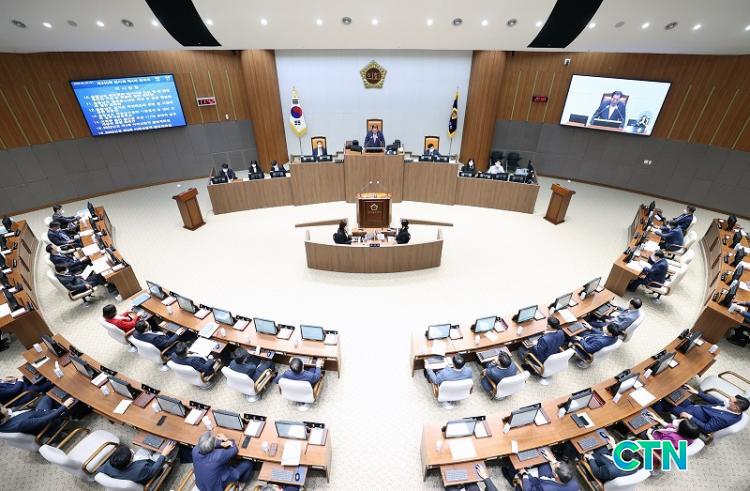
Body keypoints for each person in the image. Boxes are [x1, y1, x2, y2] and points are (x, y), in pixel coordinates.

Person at [653, 385, 749, 434]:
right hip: (696, 407)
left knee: (665, 402)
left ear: (736, 407)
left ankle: (658, 407)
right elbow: (716, 401)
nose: (728, 400)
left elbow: (707, 429)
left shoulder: (725, 419)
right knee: (676, 393)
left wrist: (689, 417)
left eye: (731, 401)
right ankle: (661, 407)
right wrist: (697, 392)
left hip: (690, 415)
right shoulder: (733, 408)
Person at [98, 441, 175, 484]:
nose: (132, 451)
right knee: (168, 452)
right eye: (131, 453)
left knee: (147, 444)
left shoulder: (109, 464)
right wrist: (163, 454)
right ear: (131, 460)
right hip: (150, 470)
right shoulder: (139, 470)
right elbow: (154, 470)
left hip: (135, 468)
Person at [0, 395, 74, 434]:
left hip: (36, 413)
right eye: (1, 407)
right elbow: (45, 420)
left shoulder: (4, 421)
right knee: (70, 403)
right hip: (48, 420)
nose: (2, 405)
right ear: (2, 419)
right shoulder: (20, 424)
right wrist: (64, 406)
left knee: (51, 394)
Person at [510, 449, 579, 490]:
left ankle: (510, 475)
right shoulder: (572, 481)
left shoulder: (545, 488)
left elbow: (528, 489)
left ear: (555, 475)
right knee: (545, 462)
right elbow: (562, 470)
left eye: (554, 465)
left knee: (517, 470)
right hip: (551, 480)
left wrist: (524, 473)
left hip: (540, 485)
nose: (554, 463)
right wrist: (553, 460)